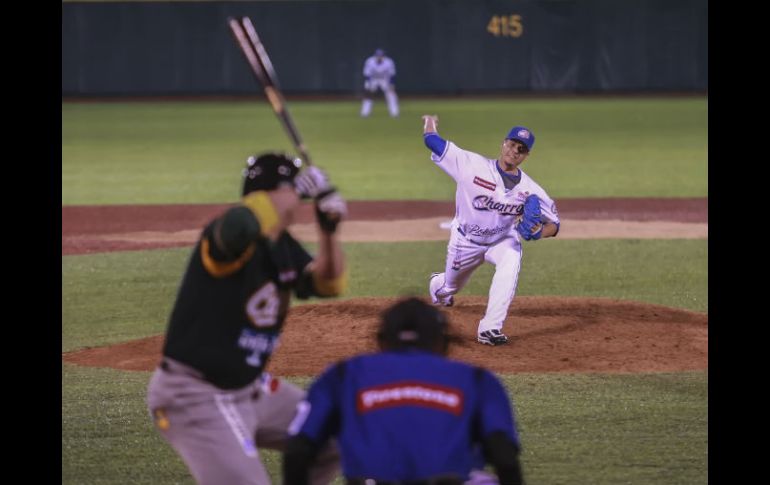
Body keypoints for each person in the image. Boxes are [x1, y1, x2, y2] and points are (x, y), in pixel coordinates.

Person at [146, 152, 348, 485]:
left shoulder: (283, 246)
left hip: (249, 388)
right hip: (195, 394)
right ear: (271, 193)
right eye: (291, 189)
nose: (298, 201)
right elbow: (239, 225)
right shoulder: (230, 235)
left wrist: (329, 230)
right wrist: (296, 191)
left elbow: (329, 283)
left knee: (333, 433)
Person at [282, 297, 525, 485]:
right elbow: (504, 457)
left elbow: (297, 451)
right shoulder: (476, 378)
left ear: (381, 341)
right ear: (442, 343)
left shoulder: (345, 374)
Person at [422, 115, 560, 346]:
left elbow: (555, 224)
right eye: (512, 144)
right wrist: (430, 122)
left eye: (521, 149)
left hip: (501, 240)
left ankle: (490, 328)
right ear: (503, 143)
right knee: (450, 286)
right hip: (466, 241)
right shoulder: (470, 165)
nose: (514, 151)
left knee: (511, 260)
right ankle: (438, 286)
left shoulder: (530, 189)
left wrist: (539, 233)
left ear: (526, 155)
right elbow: (431, 141)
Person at [360, 48, 399, 118]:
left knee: (391, 95)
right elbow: (367, 74)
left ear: (383, 56)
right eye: (378, 55)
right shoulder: (370, 61)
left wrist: (391, 84)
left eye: (381, 55)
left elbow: (391, 74)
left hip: (385, 79)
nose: (379, 57)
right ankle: (365, 113)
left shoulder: (389, 62)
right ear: (375, 56)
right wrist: (367, 84)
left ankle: (394, 113)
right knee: (368, 95)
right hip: (373, 79)